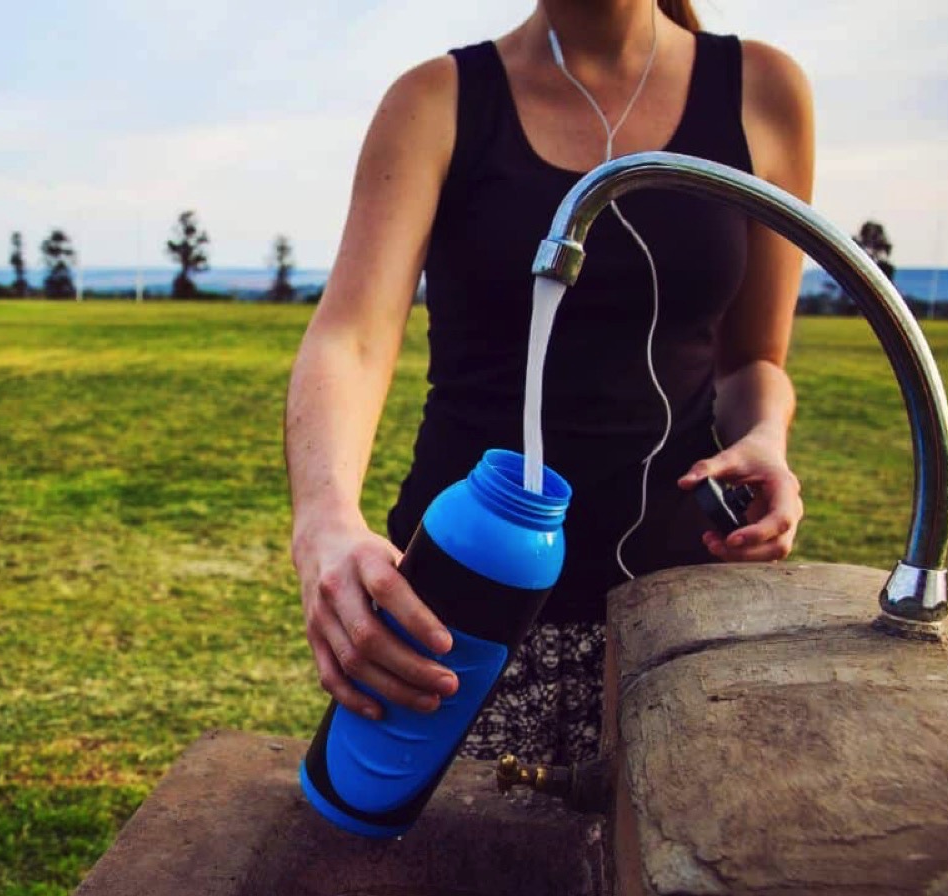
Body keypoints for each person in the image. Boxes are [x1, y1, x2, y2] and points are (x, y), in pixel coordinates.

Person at [284, 0, 811, 767]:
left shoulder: (761, 90)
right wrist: (324, 520)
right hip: (456, 608)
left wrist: (765, 436)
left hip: (685, 602)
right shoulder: (436, 99)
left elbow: (753, 362)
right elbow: (352, 337)